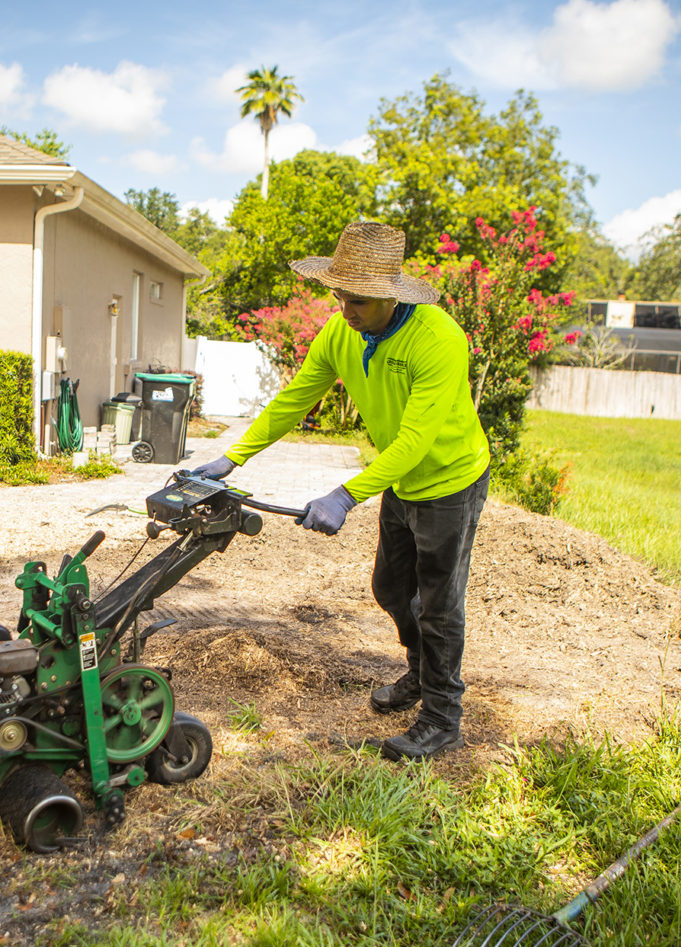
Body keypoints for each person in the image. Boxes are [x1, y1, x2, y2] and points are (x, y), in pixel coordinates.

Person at [190, 222, 490, 761]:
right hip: (400, 482)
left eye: (357, 299)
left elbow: (415, 441)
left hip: (449, 481)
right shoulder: (341, 332)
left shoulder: (439, 340)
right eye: (339, 295)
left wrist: (346, 495)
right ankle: (420, 676)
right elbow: (295, 397)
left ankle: (444, 718)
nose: (345, 308)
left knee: (440, 605)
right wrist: (232, 455)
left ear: (388, 296)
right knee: (393, 590)